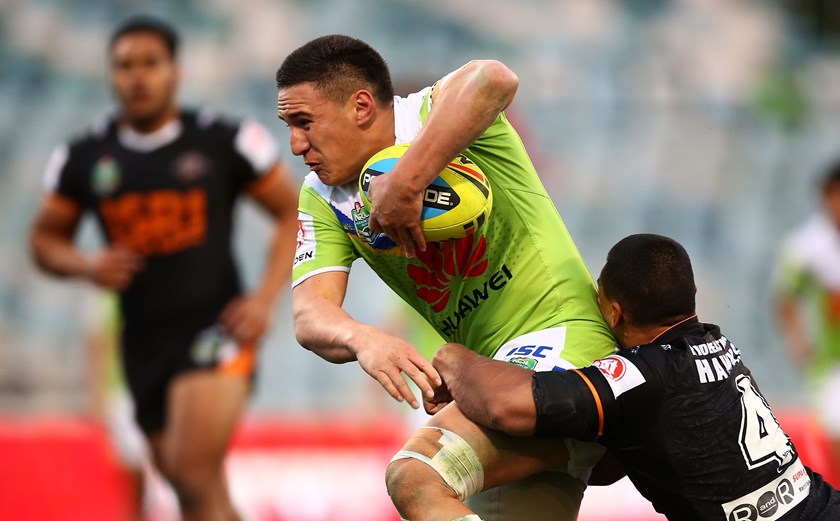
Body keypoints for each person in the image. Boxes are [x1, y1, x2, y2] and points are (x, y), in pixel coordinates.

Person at [275, 35, 616, 521]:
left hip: (565, 342)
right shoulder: (323, 197)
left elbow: (495, 77)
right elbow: (310, 314)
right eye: (288, 125)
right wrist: (363, 339)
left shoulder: (434, 116)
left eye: (304, 122)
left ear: (361, 106)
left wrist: (409, 180)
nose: (295, 144)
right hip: (488, 376)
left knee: (417, 475)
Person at [29, 15, 299, 521]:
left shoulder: (224, 140)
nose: (137, 76)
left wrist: (263, 300)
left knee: (192, 473)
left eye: (150, 64)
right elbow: (44, 241)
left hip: (218, 330)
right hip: (142, 342)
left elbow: (291, 212)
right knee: (191, 487)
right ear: (111, 75)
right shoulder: (83, 157)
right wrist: (86, 265)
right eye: (124, 65)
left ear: (175, 71)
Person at [431, 233, 840, 521]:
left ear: (614, 314)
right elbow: (613, 465)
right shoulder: (716, 342)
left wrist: (451, 357)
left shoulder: (639, 375)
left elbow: (507, 405)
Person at [775, 161, 840, 478]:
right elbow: (785, 299)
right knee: (835, 431)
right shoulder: (806, 248)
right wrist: (798, 341)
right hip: (831, 364)